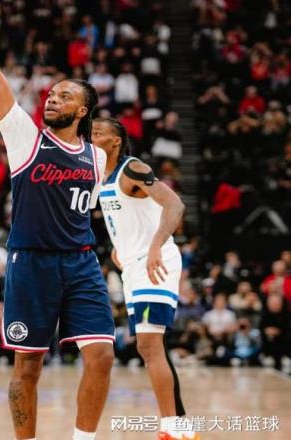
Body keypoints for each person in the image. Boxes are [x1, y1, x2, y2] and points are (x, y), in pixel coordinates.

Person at [0, 7, 115, 440]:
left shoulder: (97, 156)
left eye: (64, 96)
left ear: (83, 110)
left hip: (81, 262)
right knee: (28, 365)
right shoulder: (24, 138)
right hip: (31, 263)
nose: (52, 98)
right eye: (51, 94)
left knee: (102, 356)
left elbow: (96, 208)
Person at [91, 117, 200, 440]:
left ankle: (171, 427)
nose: (91, 136)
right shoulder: (101, 176)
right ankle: (180, 426)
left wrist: (154, 247)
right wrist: (119, 247)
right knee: (150, 346)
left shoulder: (132, 168)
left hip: (155, 261)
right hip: (132, 265)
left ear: (115, 140)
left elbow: (175, 205)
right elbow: (125, 217)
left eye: (98, 132)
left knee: (149, 345)